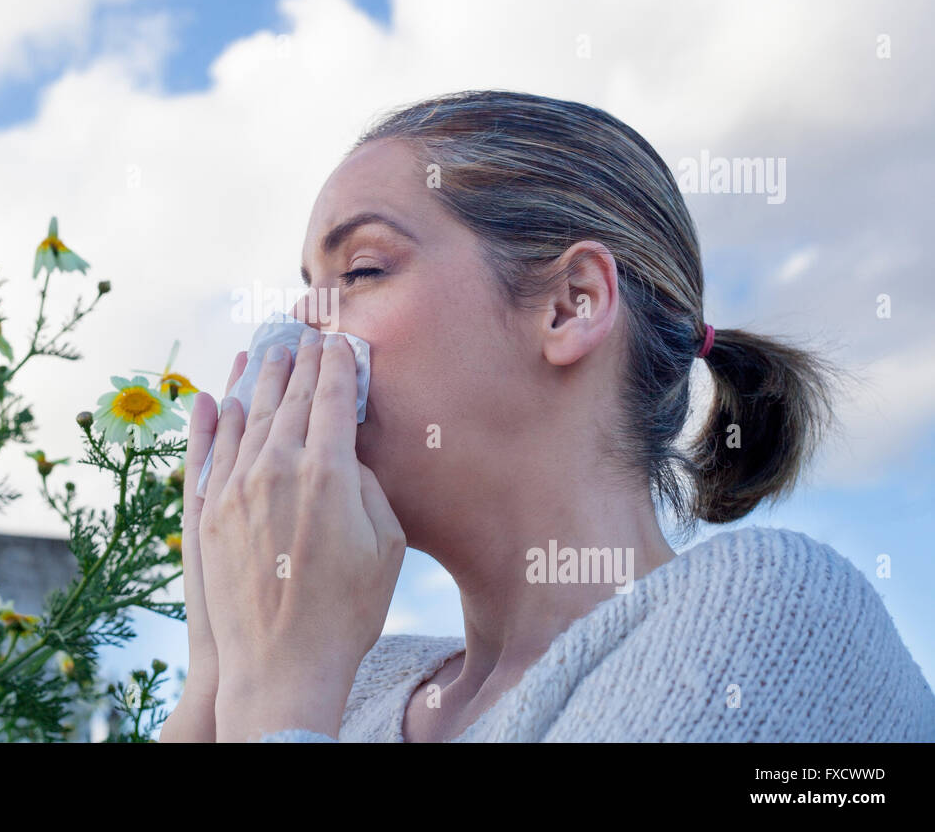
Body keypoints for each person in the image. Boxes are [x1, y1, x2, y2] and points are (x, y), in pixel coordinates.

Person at [159, 89, 935, 743]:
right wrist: (220, 671)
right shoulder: (360, 684)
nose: (300, 331)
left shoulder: (774, 618)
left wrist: (279, 696)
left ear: (571, 305)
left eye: (360, 269)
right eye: (305, 290)